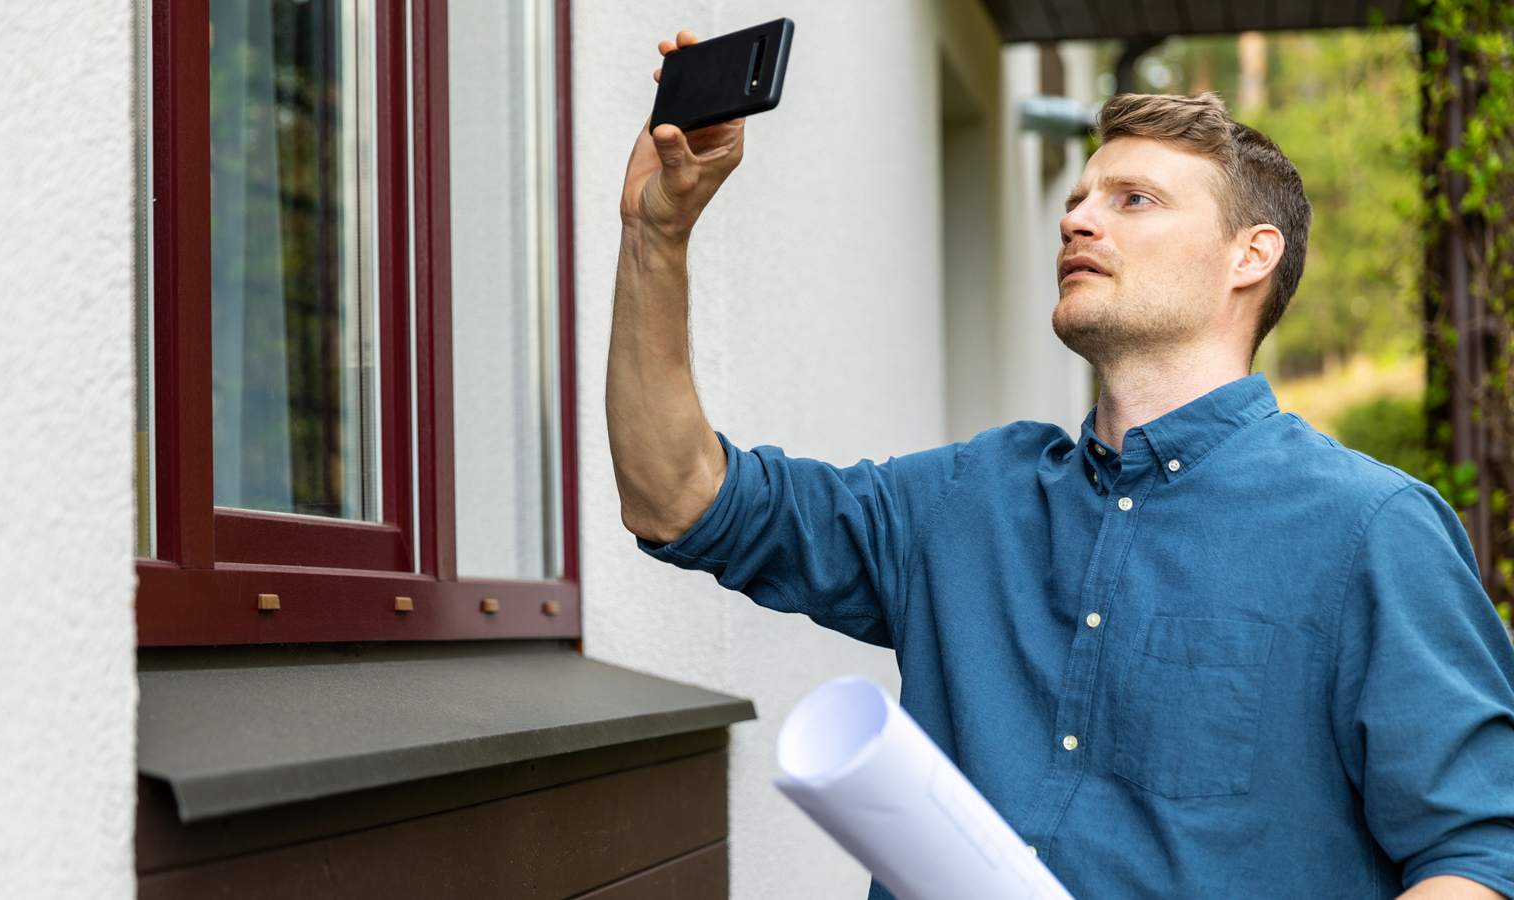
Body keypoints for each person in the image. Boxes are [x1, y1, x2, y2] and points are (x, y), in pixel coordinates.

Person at [607, 30, 1514, 900]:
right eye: (1079, 198)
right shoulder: (964, 499)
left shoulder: (1369, 529)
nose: (1078, 218)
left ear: (1252, 255)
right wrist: (657, 236)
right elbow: (679, 499)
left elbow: (1480, 852)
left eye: (1134, 200)